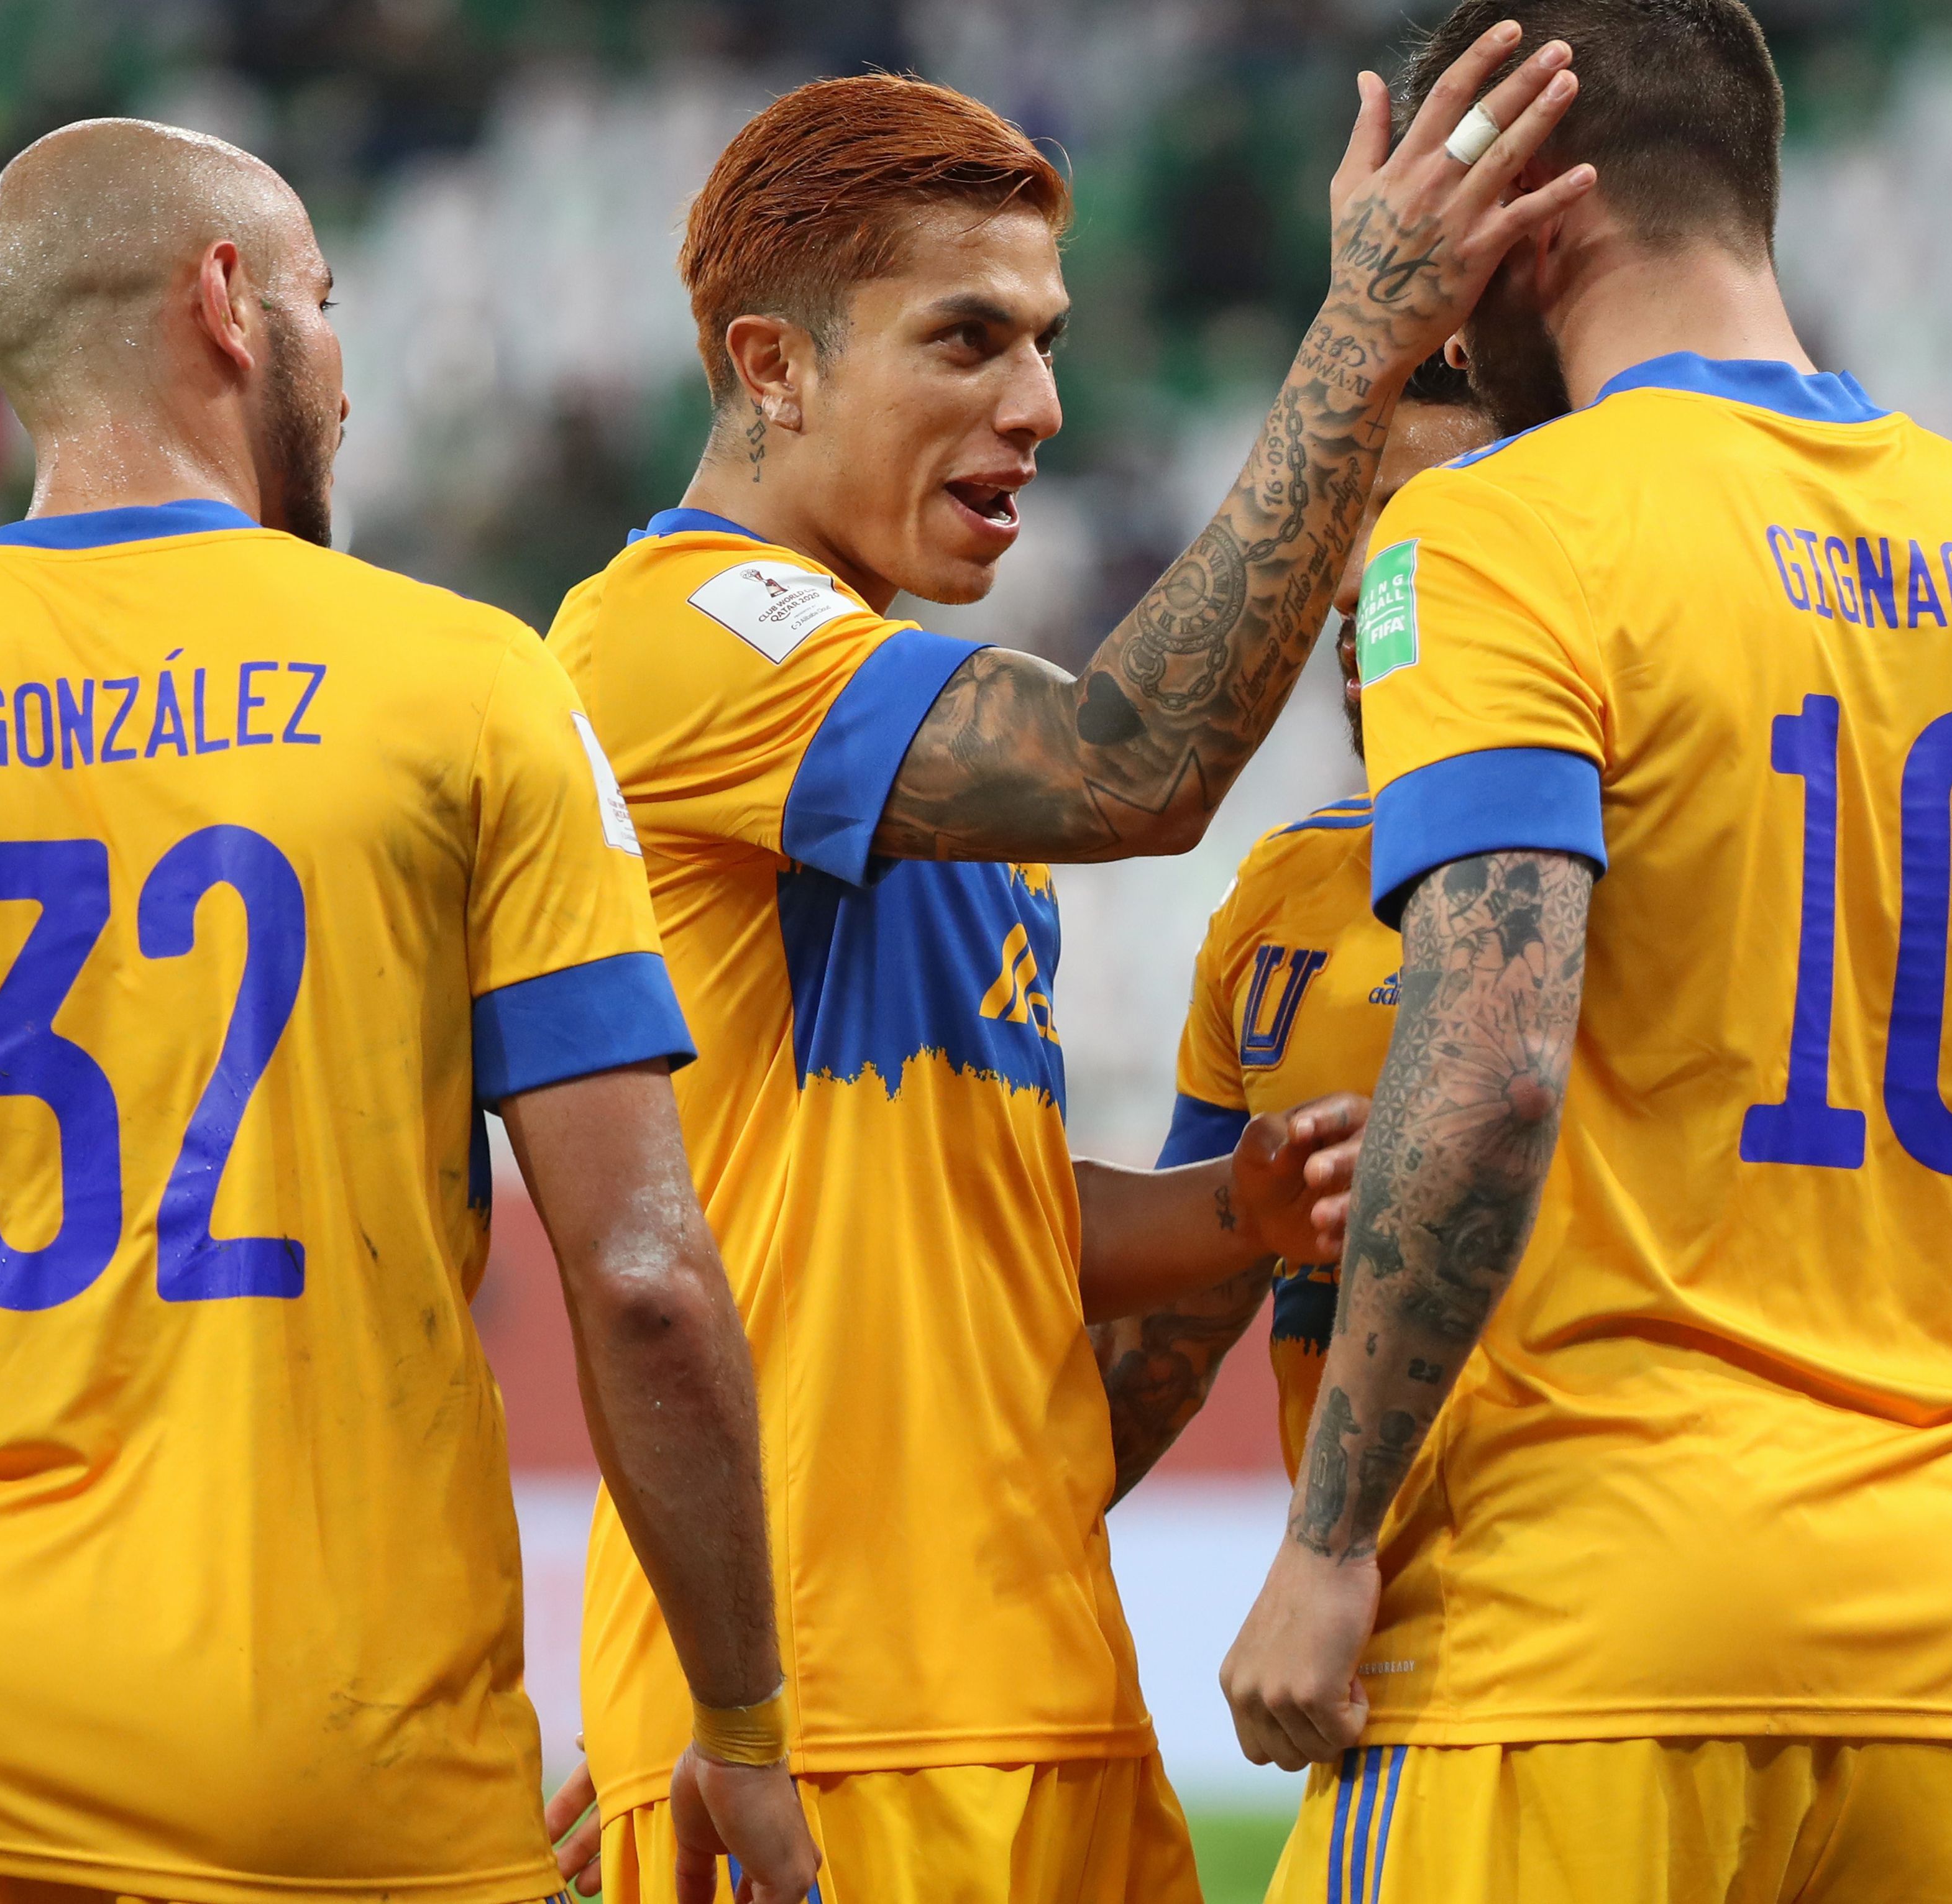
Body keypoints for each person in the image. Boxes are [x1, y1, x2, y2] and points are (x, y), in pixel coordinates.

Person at [0, 119, 816, 1904]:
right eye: (322, 304)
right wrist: (742, 1722)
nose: (342, 370)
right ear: (227, 303)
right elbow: (645, 1277)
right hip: (346, 1763)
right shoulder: (473, 686)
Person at [1217, 5, 1952, 1900]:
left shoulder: (1496, 536)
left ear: (1525, 217)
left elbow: (1490, 1066)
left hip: (1576, 1635)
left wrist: (1325, 1546)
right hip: (1935, 1666)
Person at [540, 34, 1593, 1903]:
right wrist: (1366, 335)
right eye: (967, 340)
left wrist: (1237, 1207)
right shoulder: (678, 635)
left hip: (1037, 1684)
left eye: (1044, 341)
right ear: (772, 367)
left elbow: (978, 1207)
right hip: (845, 1725)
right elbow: (1133, 764)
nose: (1035, 403)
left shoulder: (890, 731)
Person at [1098, 357, 1497, 1498]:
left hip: (1611, 1594)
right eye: (1345, 520)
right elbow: (1169, 1331)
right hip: (1351, 1607)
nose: (1352, 583)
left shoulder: (1678, 869)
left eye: (1411, 521)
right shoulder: (1282, 895)